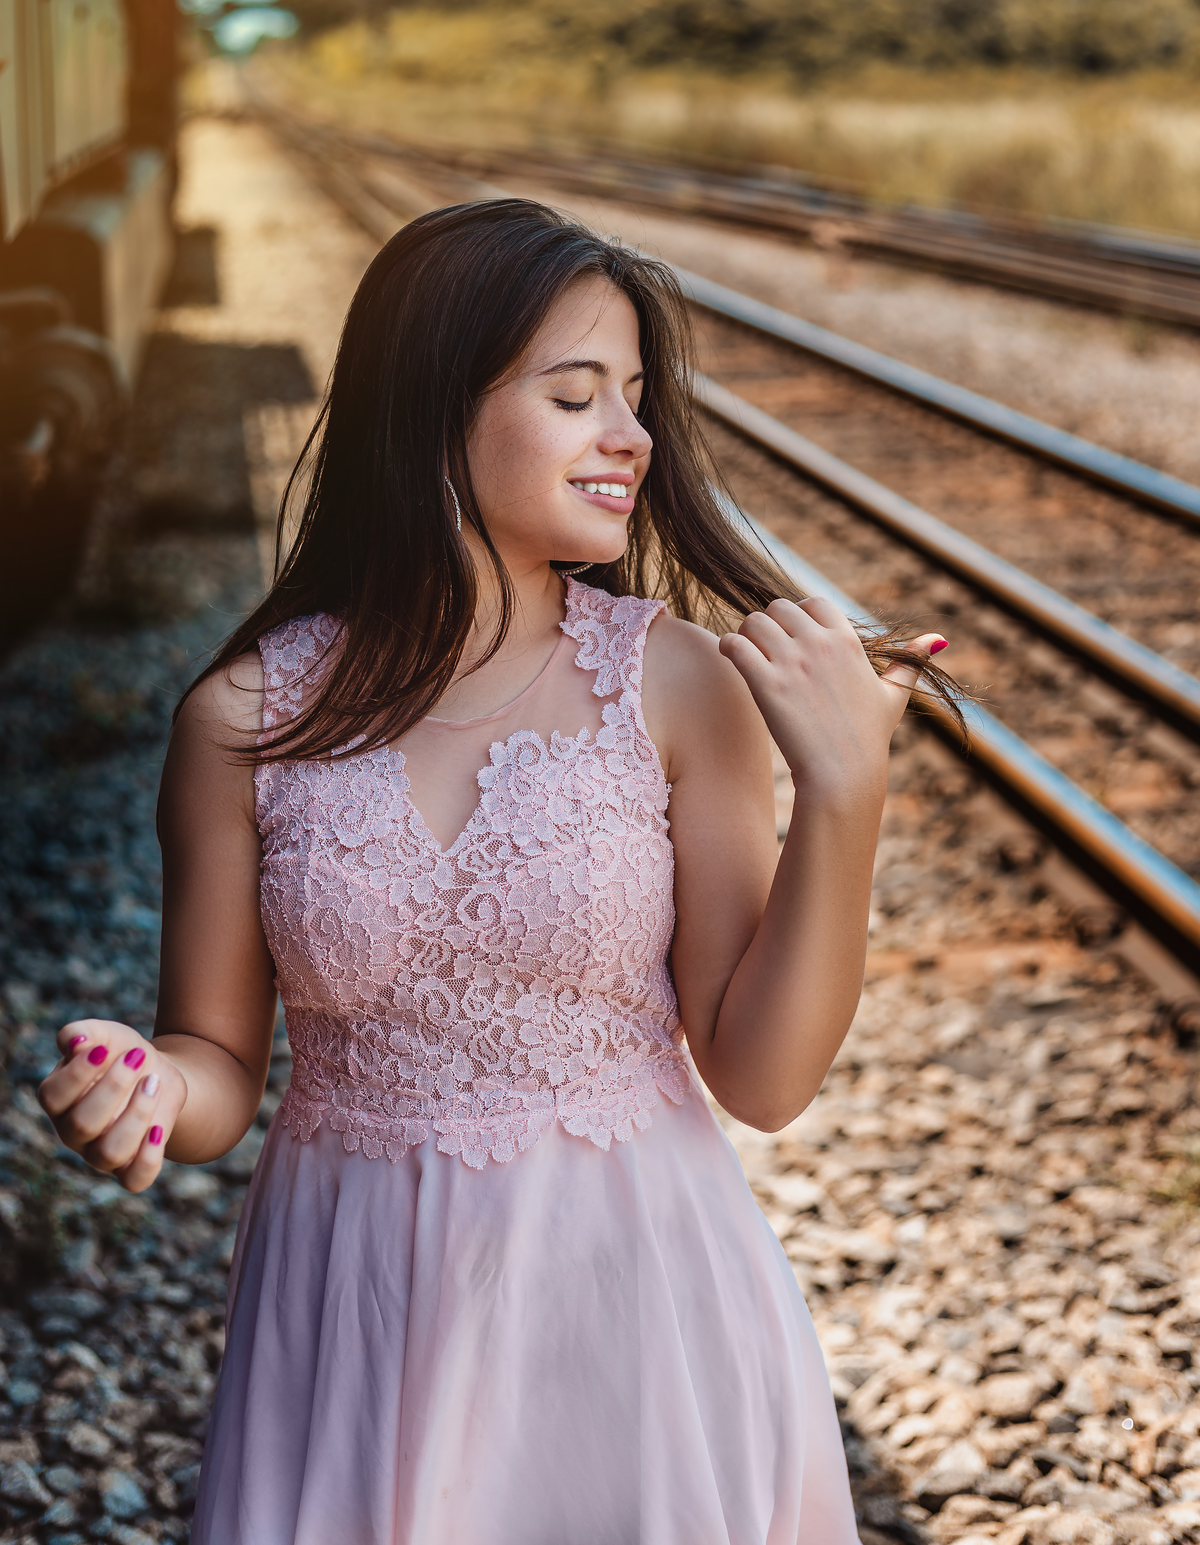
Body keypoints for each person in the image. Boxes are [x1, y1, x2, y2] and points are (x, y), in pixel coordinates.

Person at [39, 199, 954, 1544]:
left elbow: (763, 1078)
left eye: (637, 398)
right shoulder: (241, 719)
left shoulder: (677, 683)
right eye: (578, 394)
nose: (632, 437)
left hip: (633, 1291)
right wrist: (149, 1089)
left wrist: (846, 796)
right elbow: (221, 1063)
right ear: (429, 412)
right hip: (359, 1299)